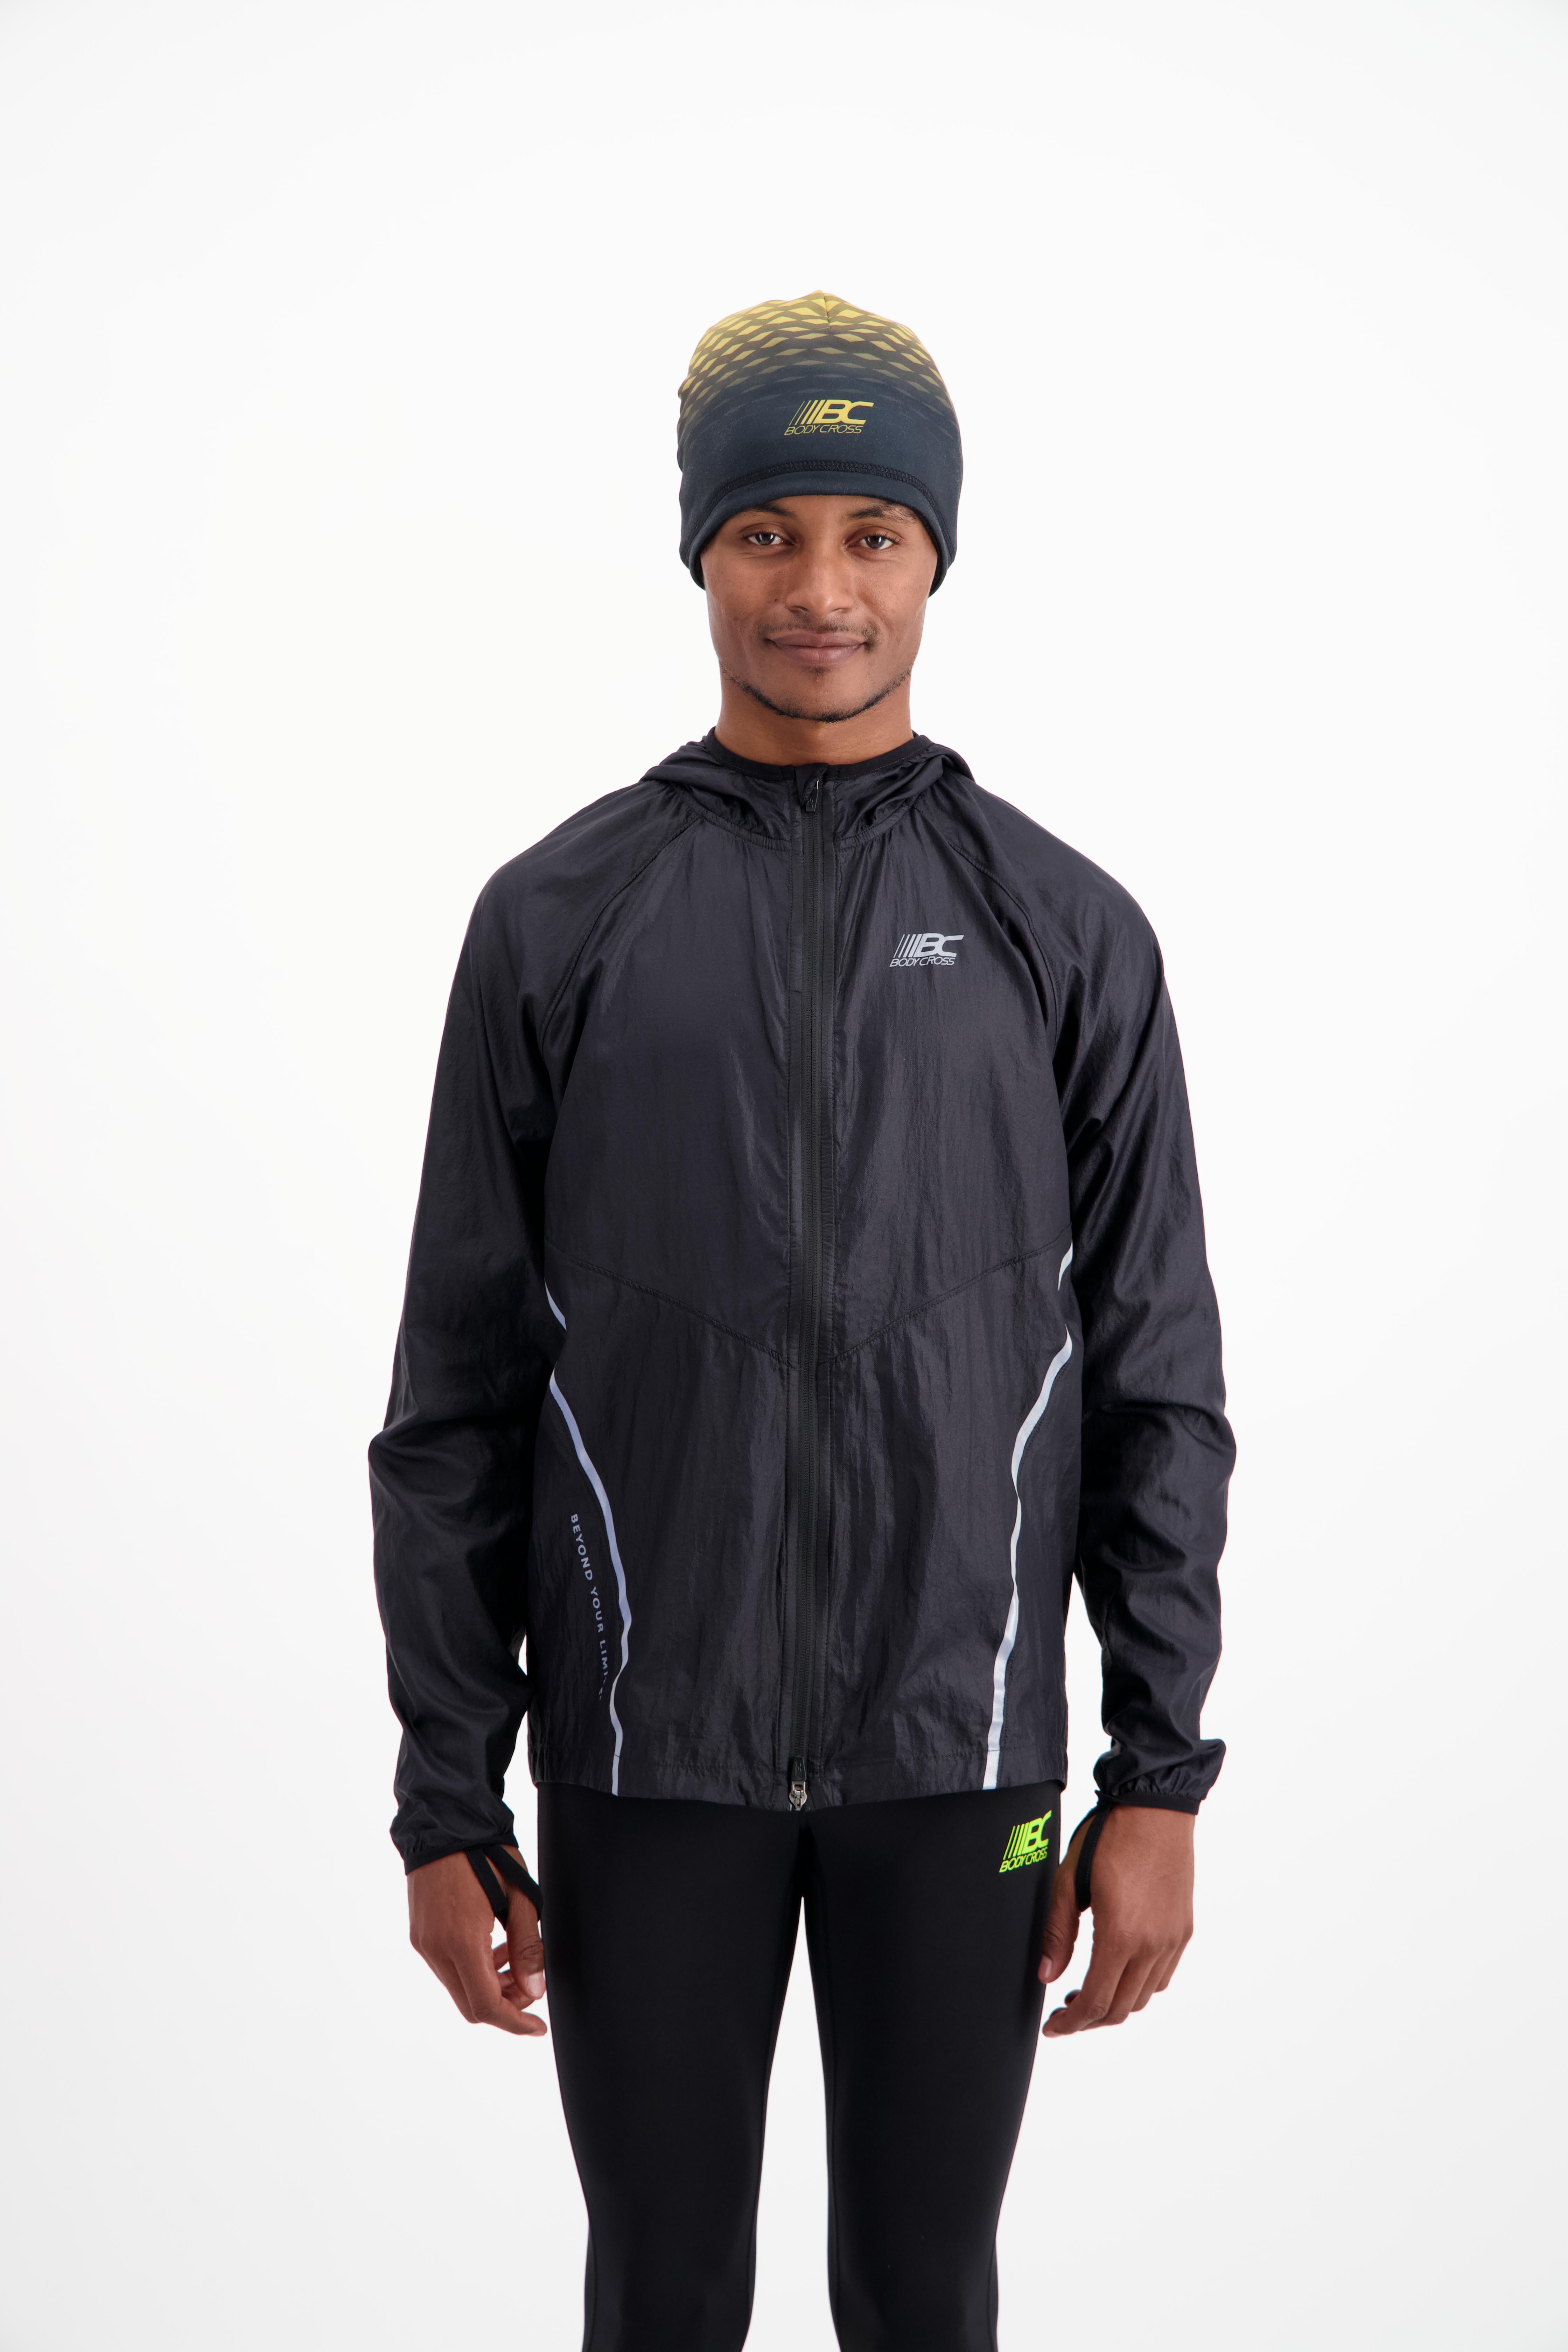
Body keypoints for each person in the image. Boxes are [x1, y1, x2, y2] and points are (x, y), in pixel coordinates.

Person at [370, 289, 1233, 2352]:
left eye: (872, 532)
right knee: (662, 2296)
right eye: (767, 532)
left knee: (923, 2299)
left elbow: (1159, 1384)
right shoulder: (557, 918)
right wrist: (445, 1801)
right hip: (641, 1751)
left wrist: (1159, 1778)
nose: (821, 589)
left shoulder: (1065, 926)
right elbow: (456, 1395)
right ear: (699, 553)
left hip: (960, 1753)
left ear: (939, 554)